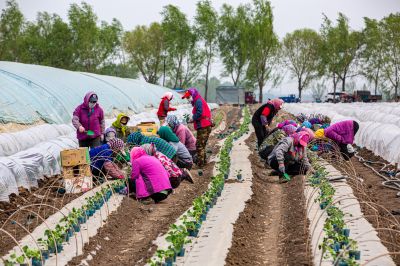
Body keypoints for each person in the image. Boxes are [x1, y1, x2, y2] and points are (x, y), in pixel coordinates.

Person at [181, 88, 213, 167]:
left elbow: (200, 113)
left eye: (188, 97)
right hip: (204, 125)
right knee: (201, 144)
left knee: (199, 145)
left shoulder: (198, 101)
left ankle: (200, 164)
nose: (188, 99)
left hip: (204, 126)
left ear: (193, 95)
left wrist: (193, 118)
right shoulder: (197, 101)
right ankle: (204, 162)